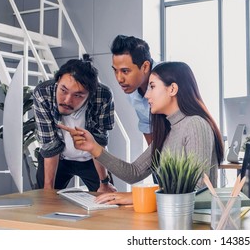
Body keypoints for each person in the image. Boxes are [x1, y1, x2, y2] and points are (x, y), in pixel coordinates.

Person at [59, 61, 224, 205]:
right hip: (170, 217)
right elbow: (134, 172)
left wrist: (137, 197)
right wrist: (93, 147)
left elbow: (198, 190)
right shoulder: (168, 130)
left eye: (152, 87)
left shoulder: (195, 125)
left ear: (172, 89)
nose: (146, 94)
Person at [33, 54, 117, 193]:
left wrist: (104, 182)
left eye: (77, 95)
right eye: (63, 90)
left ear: (90, 94)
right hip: (57, 158)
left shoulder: (103, 96)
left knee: (110, 201)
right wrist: (47, 192)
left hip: (91, 159)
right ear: (58, 81)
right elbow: (50, 145)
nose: (67, 100)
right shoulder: (43, 94)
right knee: (44, 201)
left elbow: (99, 141)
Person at [110, 35, 157, 145]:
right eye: (115, 71)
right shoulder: (132, 88)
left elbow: (197, 113)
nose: (119, 79)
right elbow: (147, 125)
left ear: (145, 67)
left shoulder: (170, 76)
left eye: (125, 71)